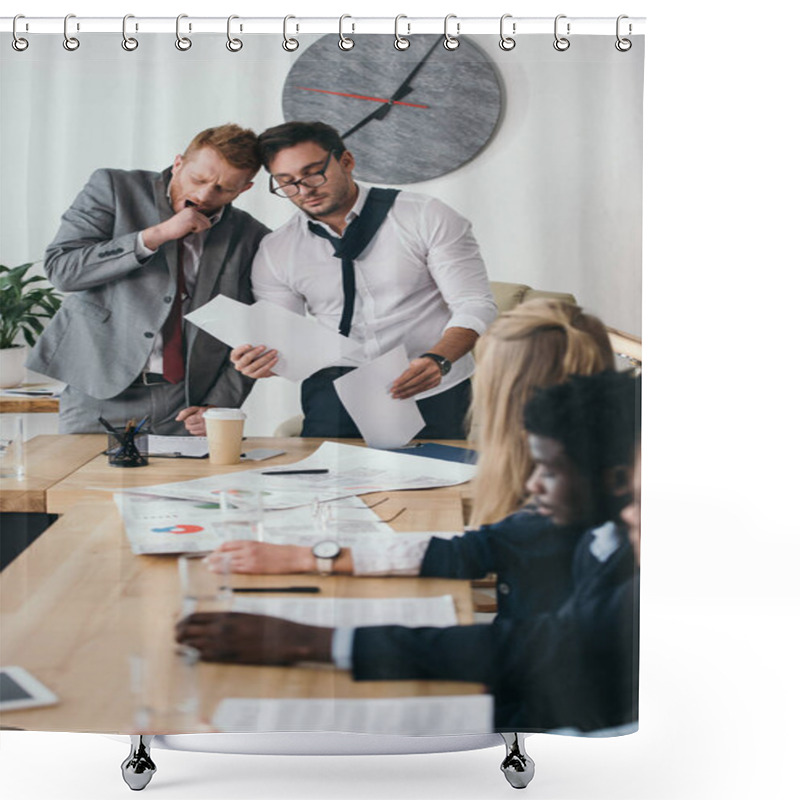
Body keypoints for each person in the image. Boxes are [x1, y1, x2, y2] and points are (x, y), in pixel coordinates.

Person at [177, 370, 641, 732]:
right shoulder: (587, 522)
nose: (533, 484)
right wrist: (309, 559)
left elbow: (531, 648)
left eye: (551, 473)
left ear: (620, 480)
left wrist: (308, 640)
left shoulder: (630, 571)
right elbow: (479, 550)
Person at [206, 298, 614, 577]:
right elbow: (480, 549)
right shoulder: (590, 465)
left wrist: (308, 560)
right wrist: (311, 557)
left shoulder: (560, 492)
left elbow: (476, 558)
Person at [230, 120, 497, 439]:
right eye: (287, 182)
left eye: (314, 172)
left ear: (346, 161)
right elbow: (284, 335)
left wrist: (439, 359)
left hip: (431, 387)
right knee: (323, 488)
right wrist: (263, 360)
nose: (304, 190)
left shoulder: (426, 216)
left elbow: (474, 304)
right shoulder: (276, 250)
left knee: (437, 486)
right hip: (334, 395)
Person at [27, 124, 268, 436]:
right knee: (83, 486)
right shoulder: (114, 188)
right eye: (198, 179)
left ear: (244, 189)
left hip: (186, 404)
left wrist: (221, 403)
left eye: (224, 189)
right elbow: (63, 270)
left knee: (186, 486)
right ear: (178, 162)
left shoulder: (251, 235)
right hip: (98, 391)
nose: (205, 195)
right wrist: (155, 235)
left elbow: (256, 330)